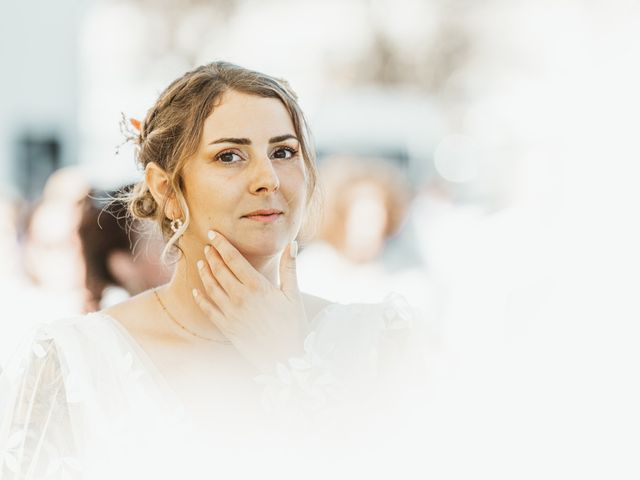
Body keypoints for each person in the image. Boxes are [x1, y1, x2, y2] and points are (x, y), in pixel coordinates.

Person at [0, 62, 425, 479]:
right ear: (166, 188)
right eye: (229, 156)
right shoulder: (76, 361)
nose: (268, 179)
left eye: (283, 152)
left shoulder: (378, 345)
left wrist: (293, 363)